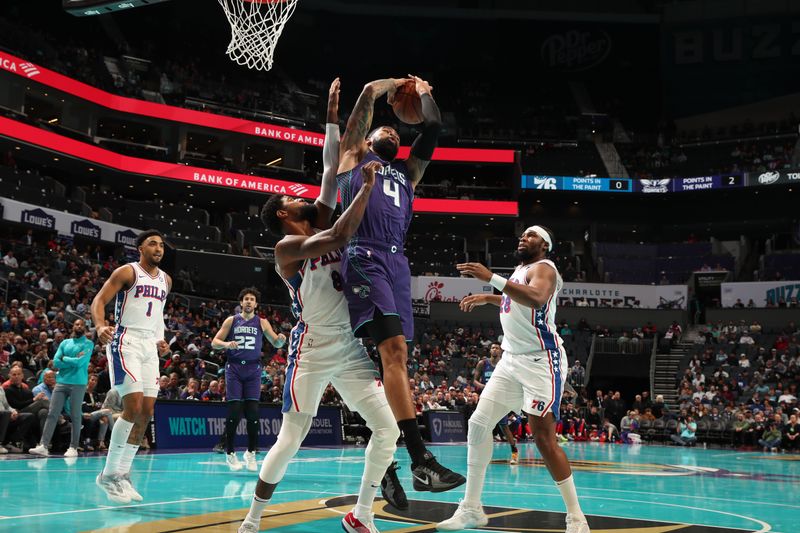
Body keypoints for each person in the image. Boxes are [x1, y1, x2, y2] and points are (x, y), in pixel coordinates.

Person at [242, 78, 400, 533]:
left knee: (386, 429)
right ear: (282, 214)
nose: (302, 195)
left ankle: (362, 514)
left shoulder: (320, 216)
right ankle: (253, 519)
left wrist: (331, 117)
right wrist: (367, 190)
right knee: (292, 437)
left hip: (347, 346)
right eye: (294, 197)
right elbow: (336, 238)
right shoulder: (287, 248)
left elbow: (331, 171)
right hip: (309, 349)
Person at [335, 74, 463, 494]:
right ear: (366, 141)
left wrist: (424, 91)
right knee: (392, 352)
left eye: (394, 129)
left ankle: (390, 458)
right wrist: (391, 83)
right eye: (383, 129)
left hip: (397, 263)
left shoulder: (409, 172)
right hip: (363, 253)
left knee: (398, 358)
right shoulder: (352, 158)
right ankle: (419, 458)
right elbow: (367, 94)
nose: (391, 130)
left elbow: (433, 127)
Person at [438, 225, 589, 533]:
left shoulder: (544, 268)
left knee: (544, 439)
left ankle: (576, 517)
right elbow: (513, 301)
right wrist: (488, 297)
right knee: (479, 423)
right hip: (511, 360)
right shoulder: (520, 270)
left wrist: (489, 279)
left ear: (544, 246)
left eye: (532, 235)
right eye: (523, 234)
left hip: (540, 361)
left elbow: (535, 299)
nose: (524, 237)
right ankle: (471, 508)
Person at [90, 230, 171, 504]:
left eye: (161, 245)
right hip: (125, 340)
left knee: (146, 413)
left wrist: (161, 340)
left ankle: (123, 475)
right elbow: (99, 301)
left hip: (149, 346)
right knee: (133, 406)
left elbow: (157, 315)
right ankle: (108, 474)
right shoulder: (128, 272)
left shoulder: (166, 280)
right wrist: (100, 326)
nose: (158, 248)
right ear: (140, 248)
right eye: (152, 243)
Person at [212, 287, 286, 472]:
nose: (248, 301)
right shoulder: (232, 320)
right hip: (234, 368)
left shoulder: (262, 322)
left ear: (256, 304)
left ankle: (250, 452)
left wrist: (281, 341)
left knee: (253, 413)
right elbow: (214, 342)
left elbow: (275, 341)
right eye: (246, 298)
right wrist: (226, 344)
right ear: (241, 302)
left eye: (252, 299)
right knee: (235, 412)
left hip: (253, 369)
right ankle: (230, 453)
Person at [29, 319, 93, 458]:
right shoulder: (65, 343)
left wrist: (65, 358)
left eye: (81, 324)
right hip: (61, 382)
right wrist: (71, 360)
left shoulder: (88, 343)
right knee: (52, 413)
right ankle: (43, 446)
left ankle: (73, 447)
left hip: (78, 383)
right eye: (76, 324)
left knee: (76, 415)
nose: (79, 326)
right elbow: (56, 362)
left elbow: (80, 362)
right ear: (73, 326)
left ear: (85, 328)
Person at [473, 343, 518, 464]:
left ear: (501, 351)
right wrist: (484, 386)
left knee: (504, 426)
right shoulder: (482, 364)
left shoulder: (505, 365)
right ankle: (482, 454)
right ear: (490, 350)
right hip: (486, 397)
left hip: (501, 398)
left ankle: (514, 451)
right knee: (483, 425)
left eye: (497, 348)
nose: (494, 349)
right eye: (493, 348)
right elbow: (475, 381)